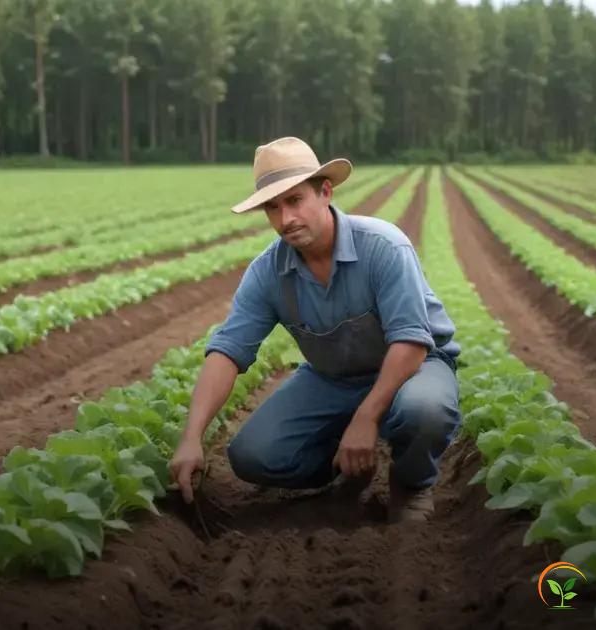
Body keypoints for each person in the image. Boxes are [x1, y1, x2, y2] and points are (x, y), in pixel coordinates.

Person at [168, 137, 461, 522]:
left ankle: (411, 484)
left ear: (325, 191)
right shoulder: (267, 272)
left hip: (416, 367)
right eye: (272, 207)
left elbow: (410, 341)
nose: (285, 218)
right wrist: (192, 438)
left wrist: (366, 418)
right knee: (252, 455)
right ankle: (346, 469)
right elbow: (228, 349)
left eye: (294, 200)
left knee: (425, 410)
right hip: (332, 378)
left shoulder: (384, 247)